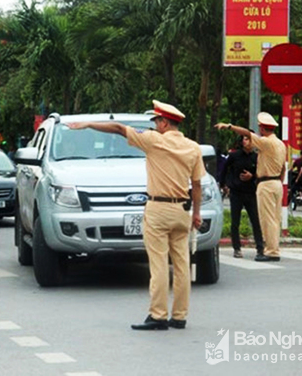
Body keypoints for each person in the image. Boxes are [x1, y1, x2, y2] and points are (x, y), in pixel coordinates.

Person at [68, 100, 205, 331]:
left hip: (158, 209)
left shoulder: (154, 141)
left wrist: (89, 124)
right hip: (183, 210)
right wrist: (197, 214)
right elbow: (198, 185)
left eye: (157, 121)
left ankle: (158, 315)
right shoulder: (193, 147)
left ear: (163, 123)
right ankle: (180, 316)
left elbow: (120, 129)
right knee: (182, 265)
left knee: (159, 264)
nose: (155, 125)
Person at [215, 112, 286, 262]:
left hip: (266, 184)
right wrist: (278, 181)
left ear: (262, 128)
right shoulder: (280, 144)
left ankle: (271, 251)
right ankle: (273, 249)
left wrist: (229, 126)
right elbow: (283, 169)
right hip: (277, 183)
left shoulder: (266, 142)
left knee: (266, 220)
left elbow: (246, 133)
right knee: (274, 219)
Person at [219, 135, 264, 258]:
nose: (247, 141)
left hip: (251, 192)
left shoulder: (257, 157)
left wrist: (252, 176)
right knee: (235, 222)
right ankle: (237, 248)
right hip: (236, 192)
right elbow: (224, 169)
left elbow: (261, 172)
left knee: (256, 221)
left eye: (249, 139)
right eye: (245, 139)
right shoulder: (234, 156)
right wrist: (224, 184)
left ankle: (260, 248)